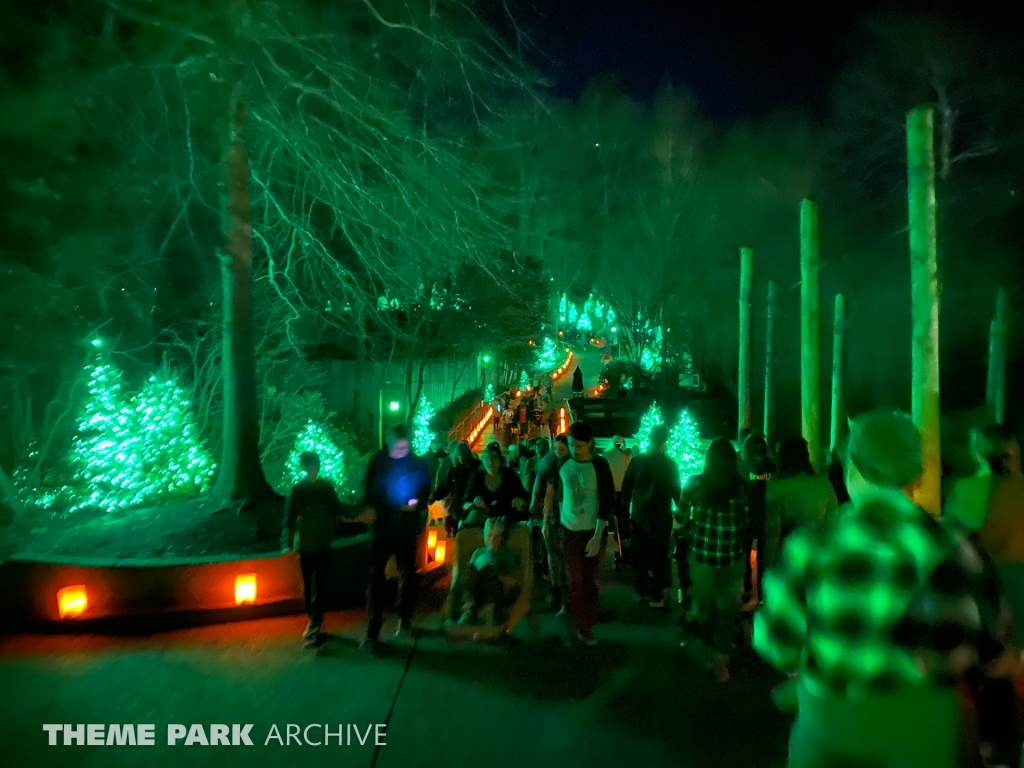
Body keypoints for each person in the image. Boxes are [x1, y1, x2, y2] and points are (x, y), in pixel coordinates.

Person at [754, 410, 1004, 768]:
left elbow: (777, 641)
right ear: (917, 475)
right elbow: (989, 640)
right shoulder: (955, 547)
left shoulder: (811, 545)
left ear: (852, 469)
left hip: (832, 721)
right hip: (923, 723)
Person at [678, 438, 751, 682]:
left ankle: (702, 648)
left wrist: (688, 530)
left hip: (702, 556)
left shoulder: (695, 483)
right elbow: (745, 521)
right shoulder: (740, 487)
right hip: (732, 557)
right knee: (727, 611)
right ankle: (722, 661)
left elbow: (681, 517)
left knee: (705, 605)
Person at [361, 424, 433, 651]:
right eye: (397, 447)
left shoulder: (417, 463)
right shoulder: (378, 462)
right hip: (382, 527)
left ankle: (405, 618)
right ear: (389, 441)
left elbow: (425, 489)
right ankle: (373, 629)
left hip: (405, 527)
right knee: (376, 578)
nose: (401, 451)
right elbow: (369, 491)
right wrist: (388, 505)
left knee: (407, 575)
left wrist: (416, 503)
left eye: (405, 447)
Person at [544, 421, 615, 646]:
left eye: (580, 446)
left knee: (589, 579)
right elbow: (556, 492)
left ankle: (584, 617)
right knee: (575, 579)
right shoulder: (563, 463)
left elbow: (607, 500)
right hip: (569, 530)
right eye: (572, 445)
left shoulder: (599, 465)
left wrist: (598, 535)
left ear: (590, 444)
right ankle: (582, 624)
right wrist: (550, 520)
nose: (575, 450)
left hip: (592, 531)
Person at [283, 451, 346, 647]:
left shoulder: (299, 489)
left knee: (311, 580)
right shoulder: (324, 487)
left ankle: (314, 620)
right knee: (319, 580)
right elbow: (337, 509)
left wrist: (287, 542)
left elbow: (290, 517)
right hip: (320, 539)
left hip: (308, 540)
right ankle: (316, 620)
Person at [622, 425, 680, 608]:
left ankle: (641, 590)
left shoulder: (637, 460)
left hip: (639, 514)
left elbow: (626, 487)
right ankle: (657, 595)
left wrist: (625, 512)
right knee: (659, 556)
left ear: (649, 438)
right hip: (661, 515)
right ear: (665, 439)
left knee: (640, 554)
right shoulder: (670, 464)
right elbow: (676, 491)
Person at [763, 436, 838, 569]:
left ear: (782, 457)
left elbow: (773, 532)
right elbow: (832, 521)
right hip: (817, 555)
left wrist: (768, 565)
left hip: (787, 558)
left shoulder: (776, 487)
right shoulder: (824, 484)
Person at [459, 517, 522, 626]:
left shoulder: (508, 554)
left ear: (501, 537)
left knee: (487, 568)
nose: (493, 539)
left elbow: (513, 580)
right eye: (490, 535)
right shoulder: (479, 552)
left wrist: (497, 576)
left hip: (497, 590)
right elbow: (469, 575)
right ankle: (471, 611)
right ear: (485, 536)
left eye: (496, 536)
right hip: (478, 591)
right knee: (477, 565)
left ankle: (483, 611)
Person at [534, 434, 571, 610]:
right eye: (555, 449)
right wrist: (545, 519)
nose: (558, 452)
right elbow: (549, 492)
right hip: (556, 513)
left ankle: (561, 592)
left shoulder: (564, 465)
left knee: (560, 553)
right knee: (553, 552)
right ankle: (558, 589)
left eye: (561, 449)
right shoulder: (554, 465)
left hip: (565, 514)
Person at [739, 433, 773, 610]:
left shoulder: (742, 465)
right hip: (766, 515)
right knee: (762, 557)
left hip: (746, 515)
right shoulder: (770, 466)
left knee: (745, 555)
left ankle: (747, 592)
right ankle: (760, 594)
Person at [464, 446, 530, 527]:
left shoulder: (509, 475)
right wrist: (474, 503)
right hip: (483, 522)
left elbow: (525, 496)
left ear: (500, 460)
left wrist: (520, 501)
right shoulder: (476, 477)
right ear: (483, 460)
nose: (490, 462)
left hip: (507, 518)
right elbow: (464, 504)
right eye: (487, 458)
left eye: (494, 458)